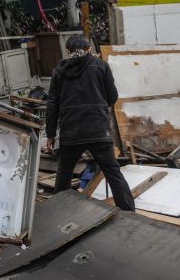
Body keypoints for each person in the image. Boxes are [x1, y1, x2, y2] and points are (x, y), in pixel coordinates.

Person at [46, 35, 135, 212]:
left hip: (71, 132)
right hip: (98, 130)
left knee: (64, 175)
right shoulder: (100, 66)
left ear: (68, 52)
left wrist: (50, 134)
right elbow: (112, 97)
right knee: (113, 173)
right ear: (88, 49)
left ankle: (57, 214)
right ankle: (129, 213)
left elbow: (52, 105)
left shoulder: (58, 72)